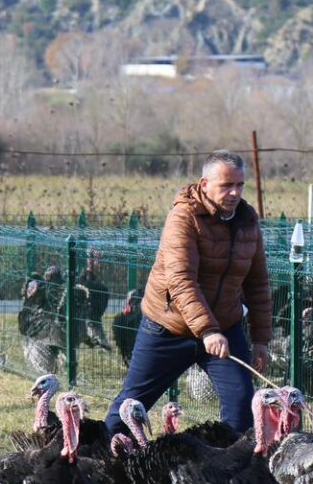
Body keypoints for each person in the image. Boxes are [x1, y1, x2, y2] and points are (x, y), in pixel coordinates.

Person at [104, 150, 271, 436]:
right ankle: (103, 458)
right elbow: (181, 280)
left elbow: (257, 281)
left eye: (240, 185)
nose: (234, 193)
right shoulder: (183, 217)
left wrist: (261, 339)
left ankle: (229, 468)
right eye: (226, 185)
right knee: (131, 404)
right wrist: (207, 330)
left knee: (242, 403)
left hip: (225, 328)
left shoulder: (247, 221)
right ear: (204, 184)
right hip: (169, 327)